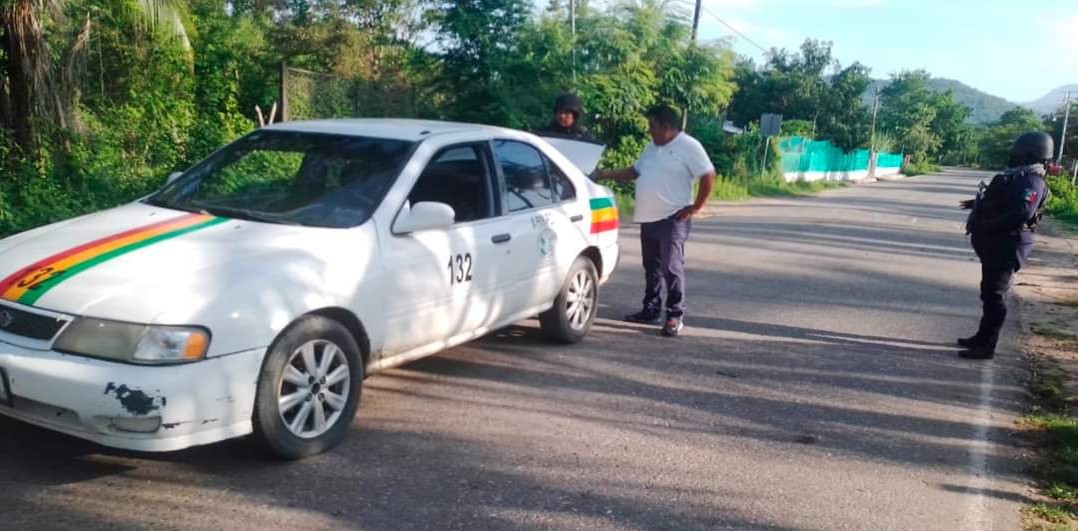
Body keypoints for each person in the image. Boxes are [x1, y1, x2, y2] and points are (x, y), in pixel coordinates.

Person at [598, 104, 716, 337]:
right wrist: (605, 174)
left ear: (666, 126)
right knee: (651, 267)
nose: (649, 131)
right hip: (648, 218)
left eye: (652, 126)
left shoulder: (688, 146)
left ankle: (674, 314)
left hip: (673, 219)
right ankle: (650, 309)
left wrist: (696, 206)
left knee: (671, 267)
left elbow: (708, 174)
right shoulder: (651, 148)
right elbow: (634, 171)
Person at [957, 131, 1053, 359]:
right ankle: (982, 336)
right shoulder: (1018, 176)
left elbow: (1022, 212)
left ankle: (987, 345)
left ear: (1032, 154)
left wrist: (988, 225)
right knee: (988, 292)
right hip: (998, 243)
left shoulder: (1032, 180)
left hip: (1009, 245)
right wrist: (977, 205)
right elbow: (1004, 200)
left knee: (996, 295)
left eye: (1018, 152)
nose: (1014, 155)